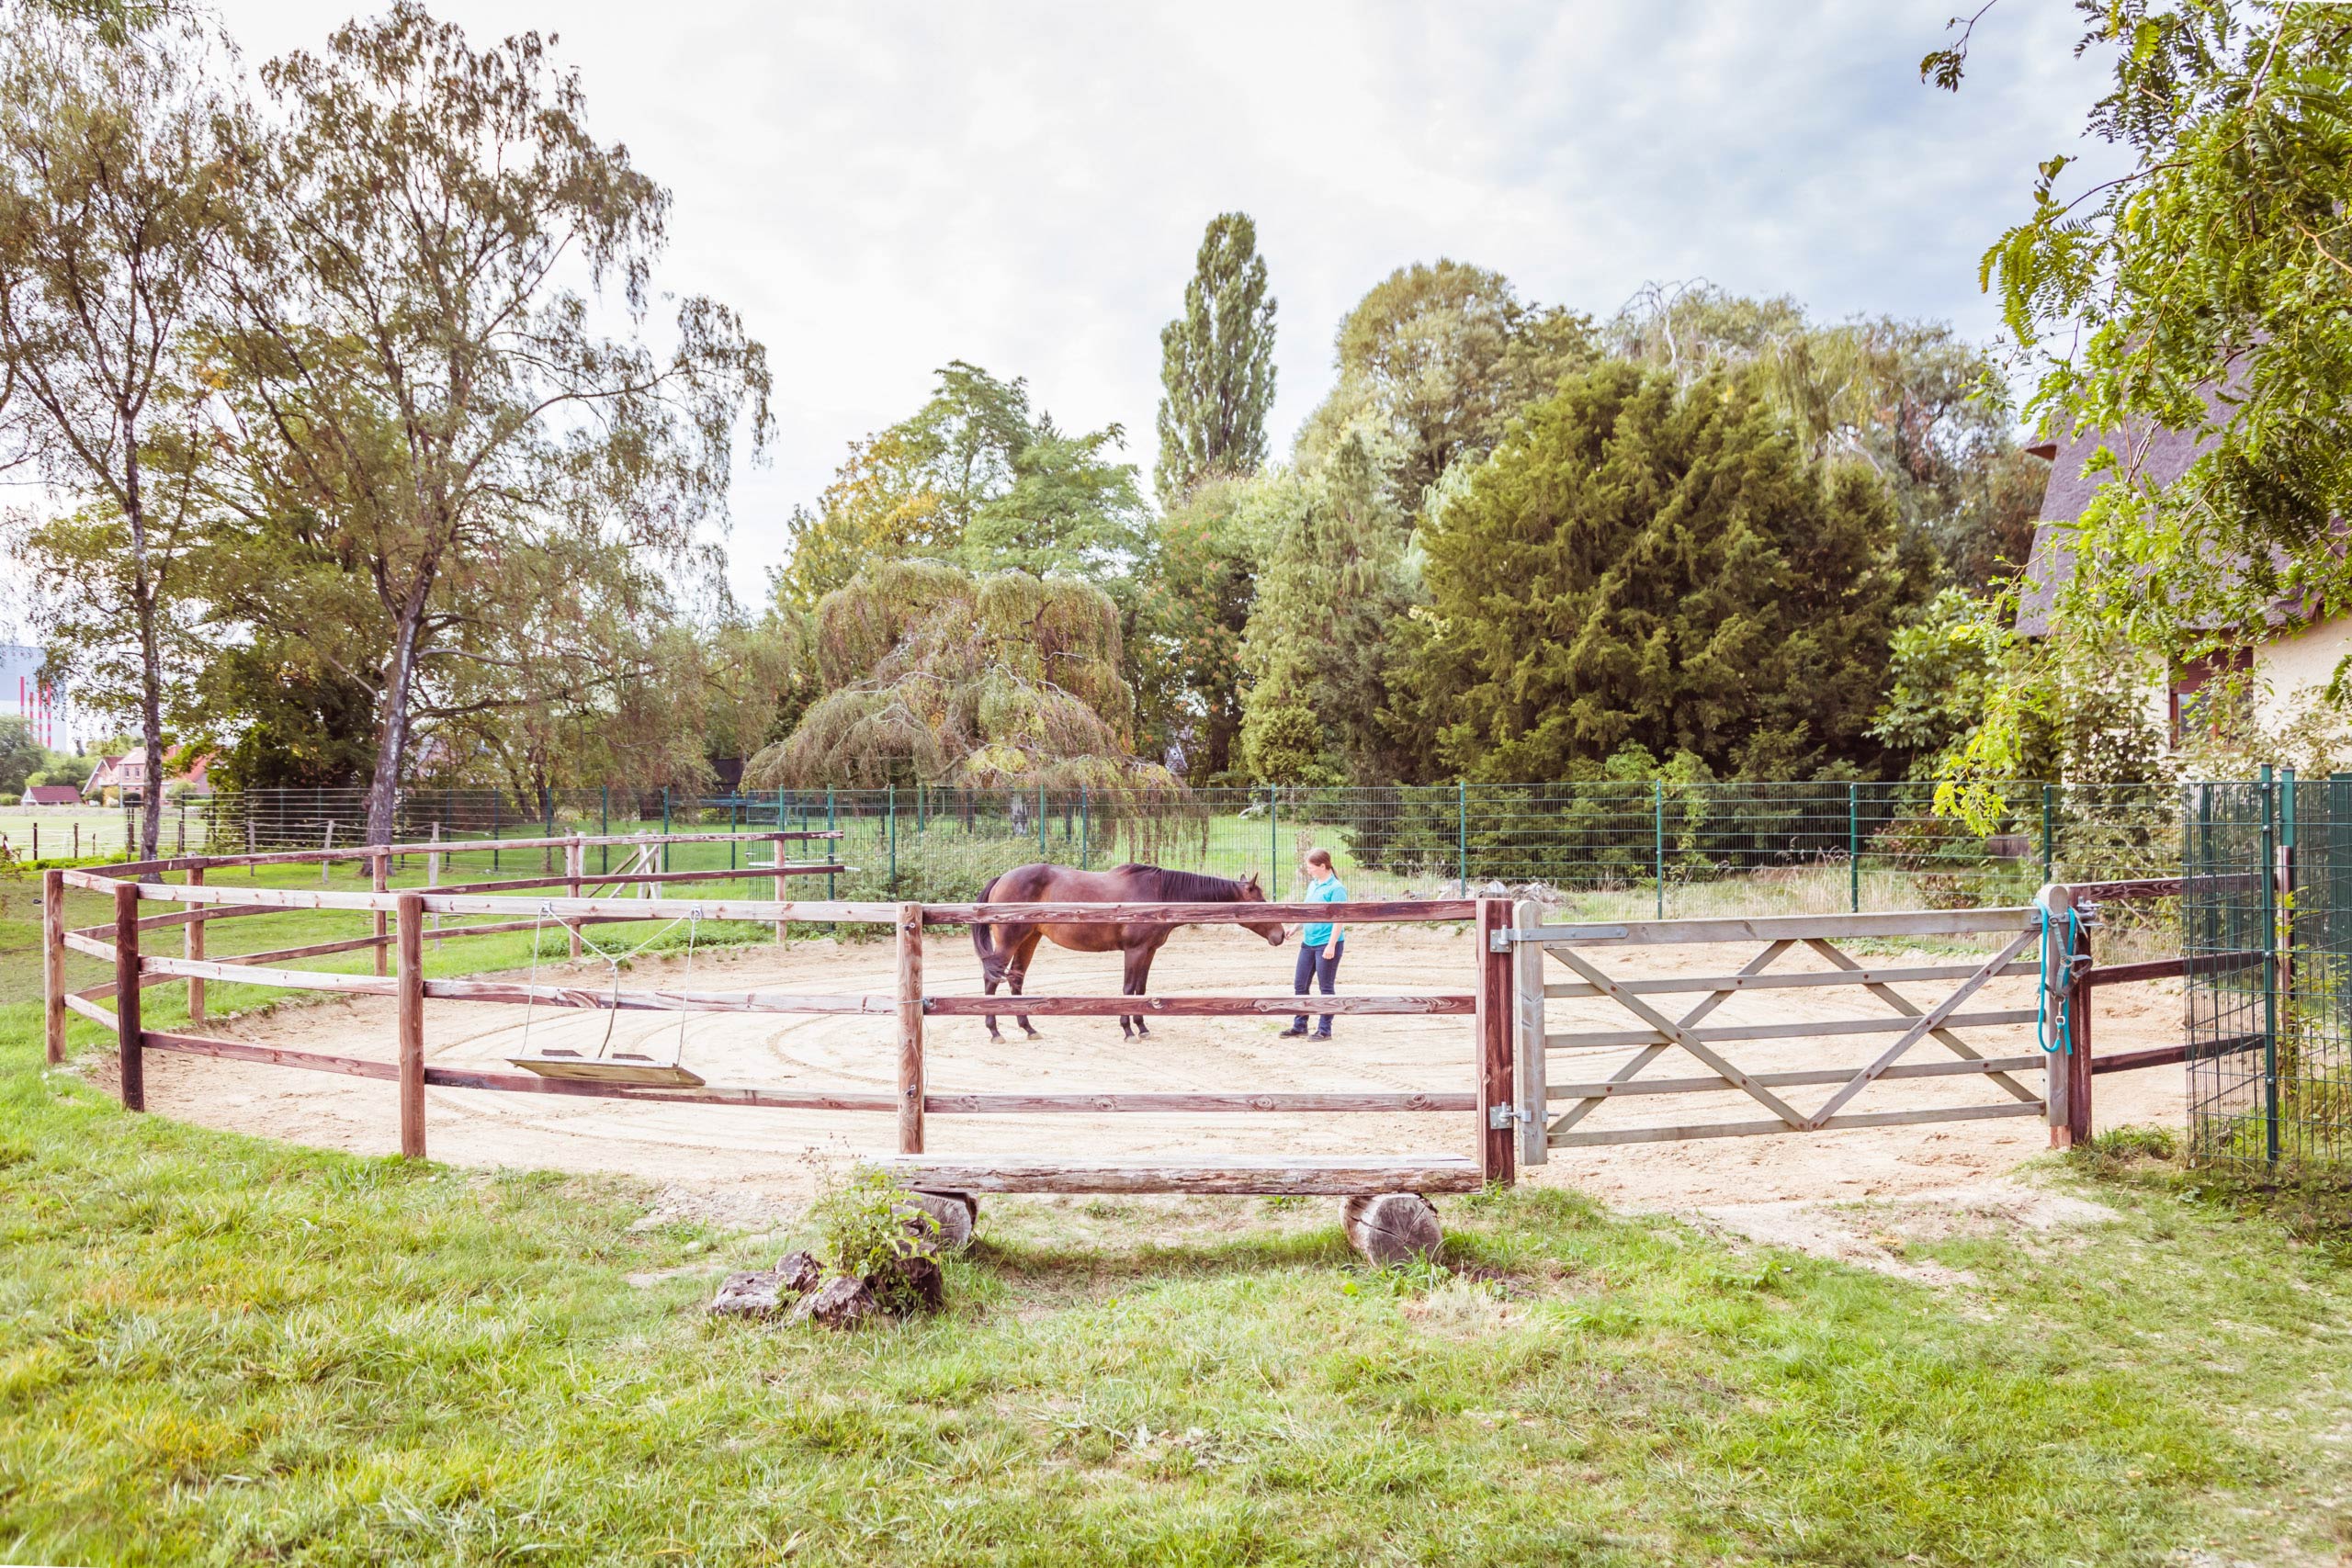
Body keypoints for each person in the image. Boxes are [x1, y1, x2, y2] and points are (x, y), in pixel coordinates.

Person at [1280, 848, 1346, 1039]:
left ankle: (1325, 1030)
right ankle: (1300, 1025)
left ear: (1322, 866)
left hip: (1326, 943)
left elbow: (1339, 919)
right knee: (1300, 985)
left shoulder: (1337, 889)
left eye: (1310, 867)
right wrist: (1295, 927)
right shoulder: (1314, 885)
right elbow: (1308, 911)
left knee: (1326, 987)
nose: (1308, 870)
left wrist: (1331, 945)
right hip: (1308, 943)